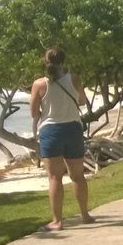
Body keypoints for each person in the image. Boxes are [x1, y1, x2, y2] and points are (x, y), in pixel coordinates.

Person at [30, 47, 94, 232]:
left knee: (54, 177)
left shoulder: (39, 84)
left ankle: (57, 221)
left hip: (51, 131)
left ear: (45, 61)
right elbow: (82, 101)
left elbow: (34, 112)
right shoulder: (74, 79)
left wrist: (47, 110)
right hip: (73, 128)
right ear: (63, 61)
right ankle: (85, 215)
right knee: (78, 175)